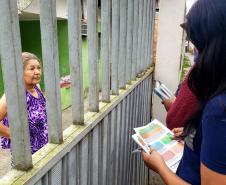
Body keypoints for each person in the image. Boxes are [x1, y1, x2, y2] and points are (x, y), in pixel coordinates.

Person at [142, 0, 226, 184]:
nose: (195, 51)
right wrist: (194, 132)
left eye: (197, 43)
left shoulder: (219, 109)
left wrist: (160, 167)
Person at [0, 52, 48, 154]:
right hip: (26, 153)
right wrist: (14, 135)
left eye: (39, 68)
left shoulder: (37, 87)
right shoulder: (13, 95)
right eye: (32, 69)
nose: (37, 72)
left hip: (44, 147)